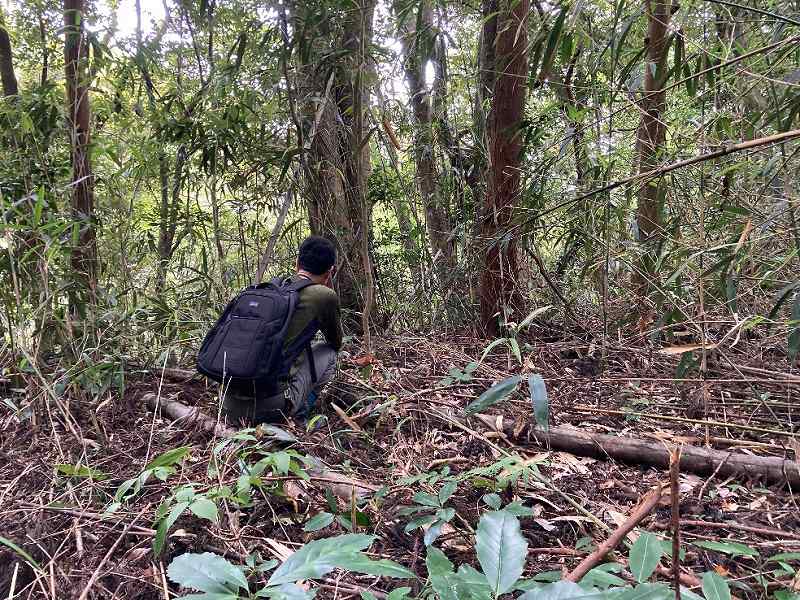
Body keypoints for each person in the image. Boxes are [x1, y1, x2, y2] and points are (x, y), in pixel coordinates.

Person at [221, 235, 343, 424]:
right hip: (271, 409)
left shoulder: (272, 289)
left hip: (228, 407)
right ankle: (300, 414)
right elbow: (335, 341)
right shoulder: (324, 295)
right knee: (329, 353)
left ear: (297, 263)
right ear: (330, 272)